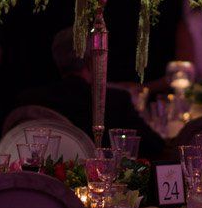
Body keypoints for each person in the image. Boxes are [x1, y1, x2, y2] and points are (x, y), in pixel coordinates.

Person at [11, 28, 166, 159]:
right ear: (93, 60)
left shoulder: (29, 100)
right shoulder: (114, 102)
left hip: (42, 187)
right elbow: (157, 148)